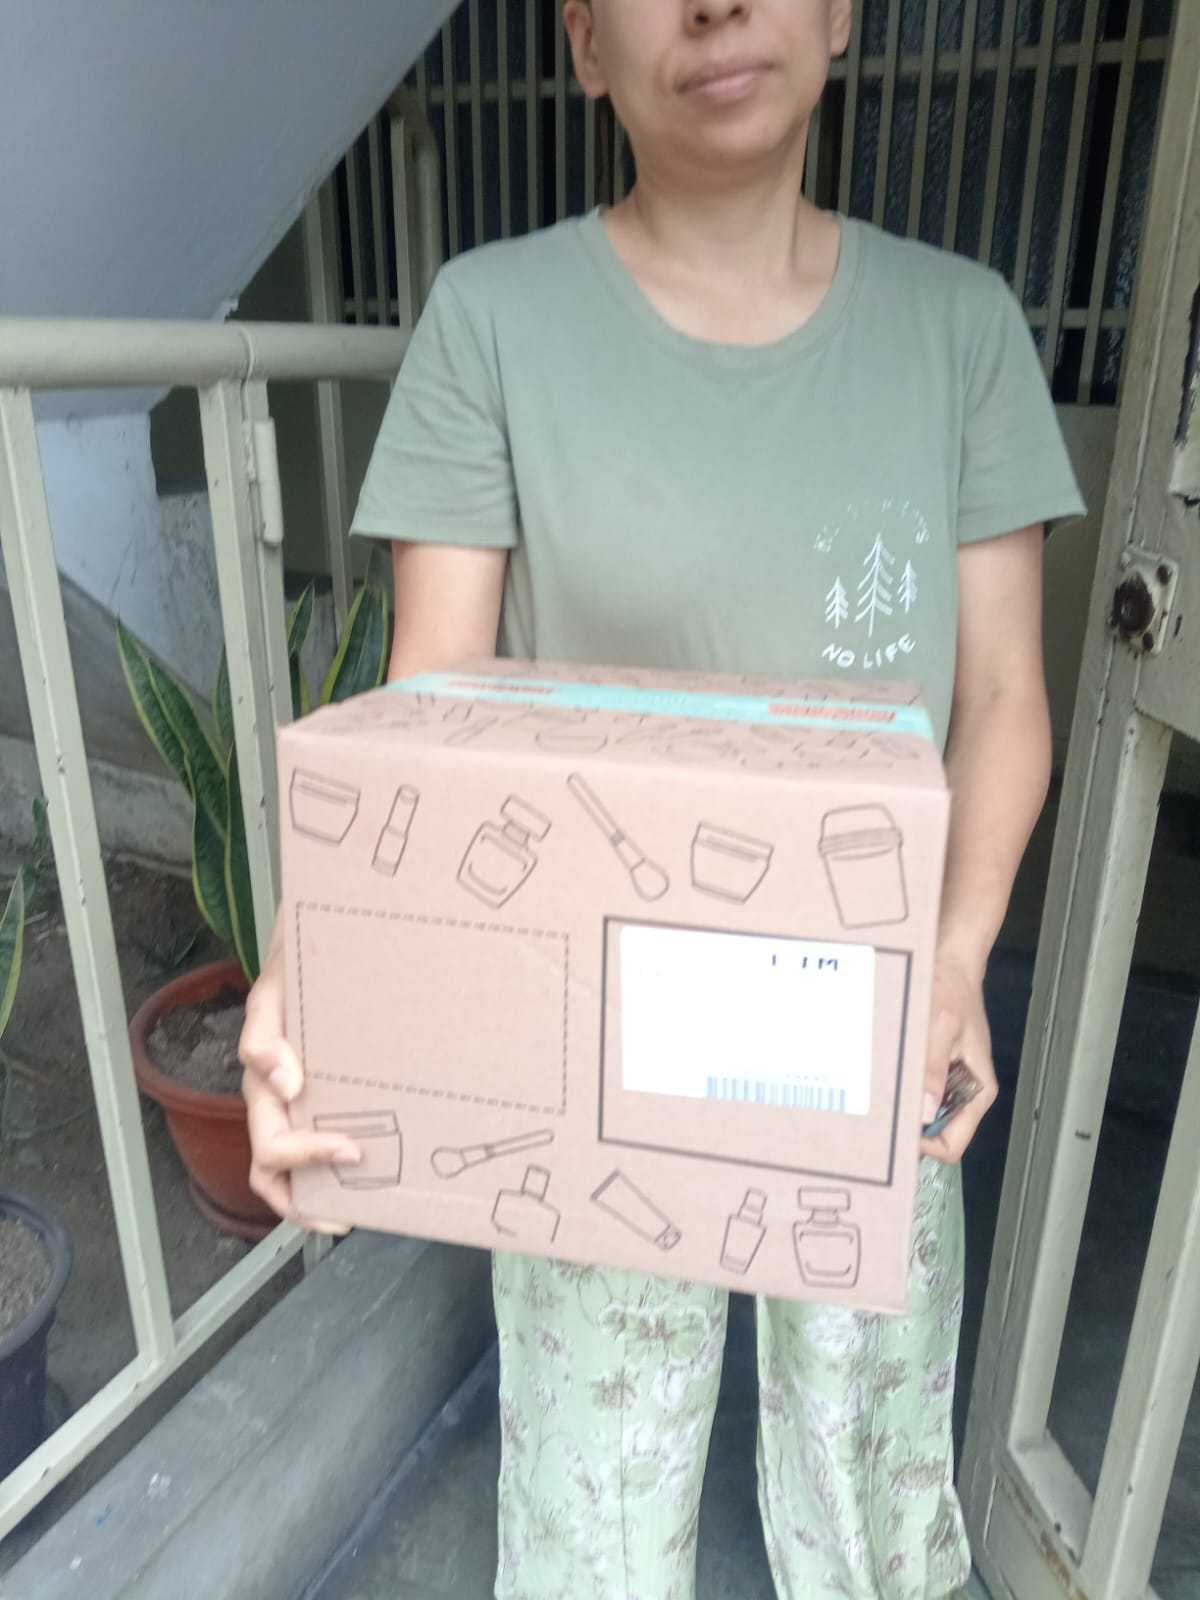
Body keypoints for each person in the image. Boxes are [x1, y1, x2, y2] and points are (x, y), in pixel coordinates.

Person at [239, 1, 1086, 1594]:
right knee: (595, 1495)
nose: (712, 6)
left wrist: (959, 957)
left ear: (841, 14)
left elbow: (1001, 698)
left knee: (866, 1479)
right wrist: (319, 969)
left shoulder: (961, 329)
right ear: (582, 44)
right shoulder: (492, 320)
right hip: (593, 1032)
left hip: (875, 1010)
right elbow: (434, 711)